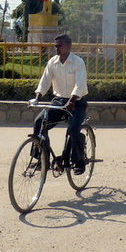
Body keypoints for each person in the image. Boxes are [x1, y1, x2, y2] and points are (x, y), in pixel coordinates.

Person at [31, 33, 88, 174]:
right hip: (59, 101)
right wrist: (37, 96)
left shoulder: (78, 62)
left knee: (74, 130)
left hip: (77, 101)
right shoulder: (52, 62)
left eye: (60, 46)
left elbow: (79, 85)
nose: (56, 49)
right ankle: (41, 159)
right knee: (39, 123)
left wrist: (72, 100)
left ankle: (79, 161)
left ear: (68, 46)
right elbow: (44, 82)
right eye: (55, 46)